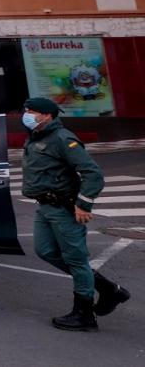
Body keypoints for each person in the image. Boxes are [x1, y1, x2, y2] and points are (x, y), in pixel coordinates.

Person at [20, 97, 130, 331]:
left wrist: (83, 204)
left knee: (76, 259)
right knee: (45, 250)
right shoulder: (36, 137)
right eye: (26, 110)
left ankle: (85, 315)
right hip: (44, 206)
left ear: (47, 115)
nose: (27, 114)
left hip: (64, 208)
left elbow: (93, 174)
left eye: (31, 111)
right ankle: (108, 288)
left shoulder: (62, 138)